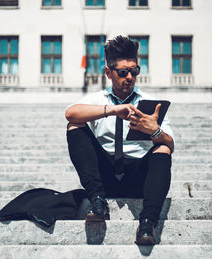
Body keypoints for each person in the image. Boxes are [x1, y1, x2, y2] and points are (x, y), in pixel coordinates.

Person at [65, 35, 174, 245]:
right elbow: (71, 113)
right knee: (75, 125)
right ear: (109, 73)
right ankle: (97, 203)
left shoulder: (150, 104)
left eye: (134, 71)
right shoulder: (98, 100)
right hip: (104, 178)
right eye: (123, 72)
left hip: (138, 177)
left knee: (162, 148)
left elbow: (170, 144)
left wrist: (155, 131)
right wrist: (113, 110)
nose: (130, 77)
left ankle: (148, 223)